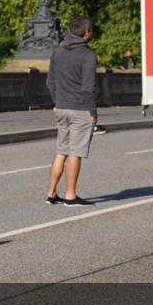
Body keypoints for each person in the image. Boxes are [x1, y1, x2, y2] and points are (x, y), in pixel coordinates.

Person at [45, 16, 98, 207]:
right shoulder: (88, 55)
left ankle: (51, 194)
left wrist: (57, 102)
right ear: (86, 33)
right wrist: (93, 112)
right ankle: (70, 196)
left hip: (61, 107)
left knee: (61, 151)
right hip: (80, 108)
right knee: (75, 152)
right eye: (90, 31)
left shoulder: (58, 51)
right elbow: (88, 88)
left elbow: (50, 82)